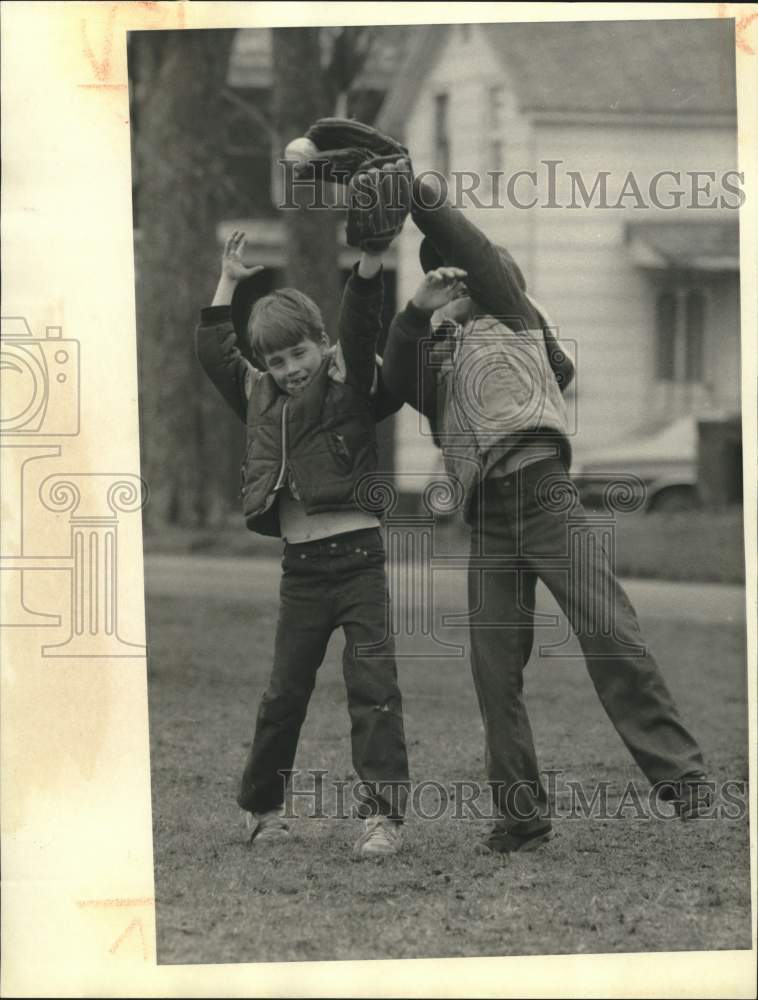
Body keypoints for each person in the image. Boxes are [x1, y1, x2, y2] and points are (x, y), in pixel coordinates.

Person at [382, 171, 711, 852]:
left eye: (474, 273)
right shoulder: (435, 362)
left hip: (545, 494)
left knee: (609, 629)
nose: (465, 283)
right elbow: (391, 379)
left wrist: (416, 191)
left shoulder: (515, 314)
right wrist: (416, 310)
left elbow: (474, 250)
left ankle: (684, 780)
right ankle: (520, 817)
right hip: (490, 519)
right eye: (449, 281)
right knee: (492, 668)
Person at [195, 228, 410, 858]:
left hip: (360, 562)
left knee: (374, 688)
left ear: (323, 345)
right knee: (285, 692)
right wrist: (230, 281)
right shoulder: (258, 392)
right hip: (303, 570)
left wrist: (370, 259)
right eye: (278, 361)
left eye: (300, 354)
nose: (291, 370)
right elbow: (215, 352)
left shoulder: (345, 384)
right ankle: (264, 810)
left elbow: (364, 322)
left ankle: (383, 819)